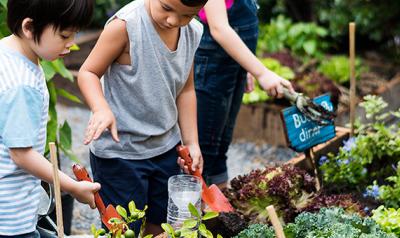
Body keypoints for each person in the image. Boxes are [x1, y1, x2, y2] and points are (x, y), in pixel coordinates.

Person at [77, 0, 206, 234]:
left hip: (166, 148)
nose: (174, 21)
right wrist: (101, 108)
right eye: (167, 8)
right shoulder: (126, 26)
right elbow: (88, 72)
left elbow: (186, 89)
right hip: (120, 154)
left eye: (187, 15)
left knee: (163, 222)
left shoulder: (193, 31)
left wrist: (192, 142)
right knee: (125, 229)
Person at [0, 0, 100, 237]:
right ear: (29, 27)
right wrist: (73, 187)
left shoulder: (7, 52)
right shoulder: (22, 85)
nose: (71, 44)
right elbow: (22, 154)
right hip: (10, 214)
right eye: (65, 35)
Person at [194, 0, 294, 188]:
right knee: (205, 147)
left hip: (231, 62)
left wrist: (245, 66)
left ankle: (221, 205)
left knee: (222, 143)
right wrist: (262, 73)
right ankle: (198, 210)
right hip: (213, 65)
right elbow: (219, 28)